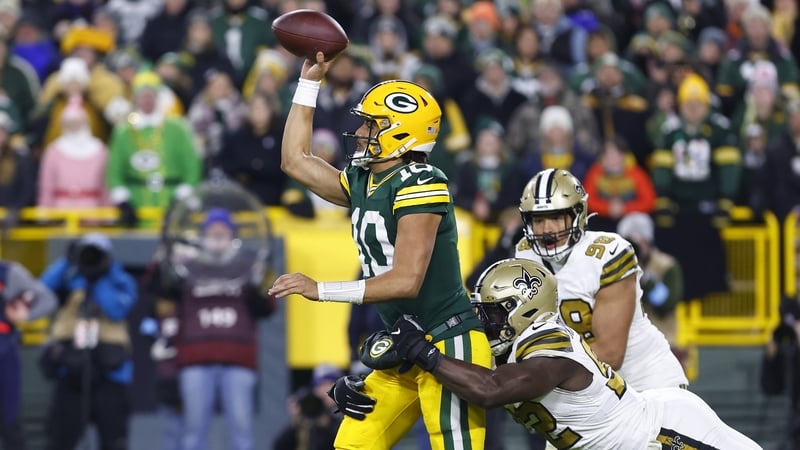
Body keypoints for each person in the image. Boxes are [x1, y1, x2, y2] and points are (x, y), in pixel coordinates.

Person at [268, 52, 491, 450]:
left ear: (402, 133)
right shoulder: (364, 179)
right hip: (404, 341)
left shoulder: (423, 181)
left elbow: (406, 280)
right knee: (353, 444)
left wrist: (321, 289)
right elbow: (294, 161)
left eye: (373, 124)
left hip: (448, 341)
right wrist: (309, 83)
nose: (361, 130)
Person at [379, 258, 761, 449]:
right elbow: (447, 365)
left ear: (523, 308)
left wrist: (422, 351)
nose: (485, 321)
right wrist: (374, 381)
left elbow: (488, 388)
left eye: (493, 311)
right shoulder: (510, 342)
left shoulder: (552, 350)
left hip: (658, 436)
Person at [515, 168, 687, 392]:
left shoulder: (607, 254)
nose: (547, 230)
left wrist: (536, 370)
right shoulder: (525, 254)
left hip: (645, 385)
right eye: (538, 220)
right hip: (588, 392)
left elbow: (611, 354)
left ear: (578, 215)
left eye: (556, 218)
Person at [170, 207, 276, 450]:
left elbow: (267, 308)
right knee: (193, 430)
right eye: (212, 231)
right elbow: (161, 291)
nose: (217, 236)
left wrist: (260, 280)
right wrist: (165, 260)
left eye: (223, 231)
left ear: (232, 236)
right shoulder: (186, 266)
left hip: (237, 358)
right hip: (196, 358)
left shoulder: (248, 265)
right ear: (203, 235)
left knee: (242, 430)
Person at [39, 232, 138, 450]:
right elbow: (40, 293)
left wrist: (100, 275)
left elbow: (116, 310)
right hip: (71, 369)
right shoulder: (70, 277)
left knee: (114, 442)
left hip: (110, 373)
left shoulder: (120, 280)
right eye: (87, 252)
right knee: (60, 441)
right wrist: (68, 259)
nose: (90, 258)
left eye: (96, 253)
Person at [0, 260, 57, 449]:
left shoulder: (9, 272)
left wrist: (24, 314)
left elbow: (47, 300)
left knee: (10, 420)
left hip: (4, 353)